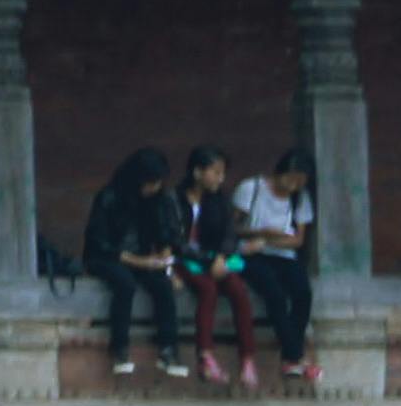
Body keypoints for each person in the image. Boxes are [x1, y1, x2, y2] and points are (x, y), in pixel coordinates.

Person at [80, 147, 186, 379]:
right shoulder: (109, 197)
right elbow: (99, 242)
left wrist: (165, 264)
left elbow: (168, 235)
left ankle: (168, 349)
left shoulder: (161, 200)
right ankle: (120, 348)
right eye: (149, 182)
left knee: (162, 285)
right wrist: (140, 261)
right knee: (124, 284)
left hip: (145, 258)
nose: (153, 188)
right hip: (108, 257)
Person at [230, 147, 318, 386]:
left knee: (302, 293)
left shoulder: (301, 198)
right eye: (291, 178)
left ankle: (291, 357)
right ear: (280, 172)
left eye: (300, 182)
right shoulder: (252, 189)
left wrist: (269, 239)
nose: (294, 185)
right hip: (250, 254)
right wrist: (261, 233)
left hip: (283, 254)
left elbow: (297, 240)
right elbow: (232, 229)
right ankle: (295, 357)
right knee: (274, 294)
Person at [175, 144, 261, 385]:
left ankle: (247, 358)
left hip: (215, 259)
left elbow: (228, 235)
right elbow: (175, 241)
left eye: (222, 173)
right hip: (186, 261)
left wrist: (221, 257)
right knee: (208, 289)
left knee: (237, 289)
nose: (220, 178)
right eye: (215, 172)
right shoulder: (175, 200)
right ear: (197, 172)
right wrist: (210, 261)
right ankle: (206, 357)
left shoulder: (219, 200)